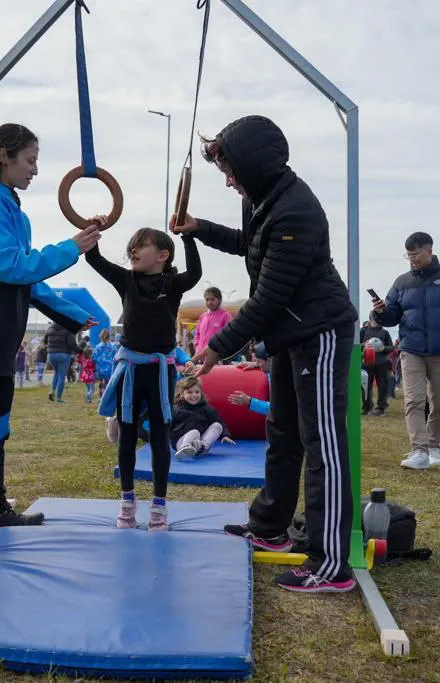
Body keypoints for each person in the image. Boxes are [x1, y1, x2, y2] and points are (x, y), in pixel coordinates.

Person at [172, 115, 358, 593]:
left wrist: (216, 348)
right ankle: (270, 527)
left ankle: (330, 564)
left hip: (319, 331)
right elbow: (247, 245)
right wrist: (199, 227)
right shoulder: (264, 200)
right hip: (290, 336)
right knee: (282, 432)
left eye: (232, 170)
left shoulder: (295, 210)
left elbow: (269, 298)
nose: (229, 180)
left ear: (254, 163)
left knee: (323, 446)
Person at [0, 122, 100, 565]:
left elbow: (27, 279)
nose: (35, 170)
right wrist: (71, 248)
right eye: (30, 160)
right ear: (5, 156)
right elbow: (10, 266)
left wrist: (69, 314)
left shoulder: (13, 212)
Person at [89, 223, 201, 531]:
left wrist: (188, 236)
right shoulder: (127, 279)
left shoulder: (173, 283)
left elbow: (195, 274)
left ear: (163, 255)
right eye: (132, 246)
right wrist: (93, 231)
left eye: (142, 245)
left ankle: (159, 506)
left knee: (160, 437)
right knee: (127, 436)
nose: (134, 251)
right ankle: (127, 503)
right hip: (131, 369)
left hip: (161, 371)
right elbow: (95, 260)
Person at [372, 232, 440, 470]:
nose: (412, 259)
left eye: (415, 254)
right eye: (408, 254)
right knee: (414, 401)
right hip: (411, 350)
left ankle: (434, 445)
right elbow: (392, 317)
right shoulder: (401, 282)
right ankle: (419, 450)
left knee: (438, 404)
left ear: (429, 250)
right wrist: (380, 312)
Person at [172, 376, 235, 460]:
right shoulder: (176, 409)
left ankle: (202, 447)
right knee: (195, 432)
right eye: (189, 392)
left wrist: (225, 435)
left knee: (217, 425)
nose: (194, 395)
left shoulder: (207, 408)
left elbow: (218, 421)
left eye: (197, 392)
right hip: (180, 441)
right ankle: (185, 447)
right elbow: (168, 425)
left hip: (200, 443)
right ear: (182, 394)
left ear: (201, 393)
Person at [360, 320, 394, 417]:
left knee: (383, 386)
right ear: (371, 319)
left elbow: (391, 347)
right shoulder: (363, 331)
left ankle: (381, 408)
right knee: (365, 386)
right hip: (367, 363)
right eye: (376, 318)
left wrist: (383, 348)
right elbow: (356, 344)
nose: (379, 320)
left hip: (382, 363)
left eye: (380, 319)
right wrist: (364, 345)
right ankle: (367, 407)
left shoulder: (385, 332)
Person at [228, 341, 272, 416]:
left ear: (269, 360)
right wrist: (255, 364)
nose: (257, 364)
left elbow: (278, 410)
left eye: (259, 362)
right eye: (256, 361)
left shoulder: (283, 380)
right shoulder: (270, 369)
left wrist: (249, 401)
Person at [43, 321, 80, 402]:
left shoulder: (50, 328)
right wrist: (81, 351)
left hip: (51, 355)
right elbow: (73, 344)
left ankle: (52, 391)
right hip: (63, 354)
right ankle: (59, 398)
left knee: (56, 372)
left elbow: (45, 341)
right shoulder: (68, 329)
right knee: (62, 376)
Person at [193, 287, 233, 356]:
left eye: (212, 299)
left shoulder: (225, 316)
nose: (209, 302)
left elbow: (228, 337)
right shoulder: (203, 316)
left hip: (216, 358)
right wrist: (197, 349)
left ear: (219, 300)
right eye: (207, 299)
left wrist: (217, 353)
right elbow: (197, 335)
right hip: (200, 356)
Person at [91, 328, 117, 397]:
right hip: (109, 369)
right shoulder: (112, 347)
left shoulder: (97, 347)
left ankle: (101, 398)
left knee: (101, 383)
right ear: (109, 337)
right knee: (108, 384)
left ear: (100, 337)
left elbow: (93, 358)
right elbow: (116, 357)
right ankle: (106, 398)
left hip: (100, 369)